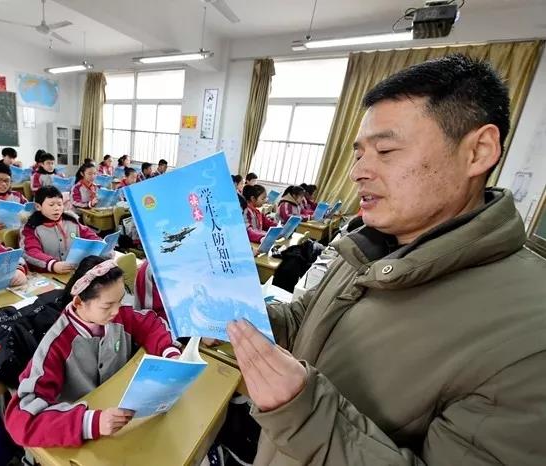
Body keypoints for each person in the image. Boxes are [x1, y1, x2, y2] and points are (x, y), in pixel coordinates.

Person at [227, 54, 546, 465]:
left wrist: (302, 413)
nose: (358, 171)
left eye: (386, 150)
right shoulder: (371, 245)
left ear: (478, 151)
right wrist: (239, 318)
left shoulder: (530, 335)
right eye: (359, 153)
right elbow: (305, 320)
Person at [4, 255, 180, 447]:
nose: (117, 311)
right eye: (107, 305)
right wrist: (89, 423)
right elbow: (21, 421)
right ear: (79, 303)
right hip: (83, 433)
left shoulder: (117, 315)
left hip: (119, 415)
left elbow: (150, 324)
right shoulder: (56, 345)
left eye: (120, 301)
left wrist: (169, 352)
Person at [21, 186, 101, 273]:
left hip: (74, 271)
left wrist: (101, 244)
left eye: (60, 204)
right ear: (38, 206)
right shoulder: (31, 228)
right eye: (51, 205)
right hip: (48, 274)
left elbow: (90, 235)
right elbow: (31, 252)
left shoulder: (72, 222)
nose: (57, 208)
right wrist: (52, 265)